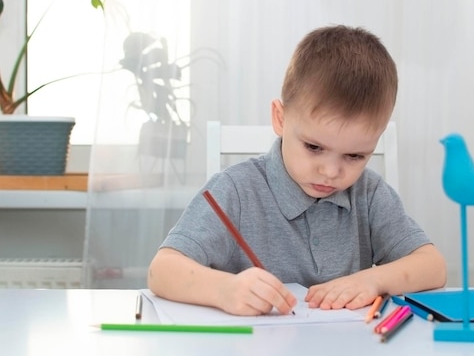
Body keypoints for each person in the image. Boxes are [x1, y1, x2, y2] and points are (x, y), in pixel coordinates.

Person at [148, 25, 447, 316]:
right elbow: (162, 270)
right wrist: (224, 289)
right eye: (314, 147)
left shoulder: (369, 194)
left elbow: (433, 266)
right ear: (280, 118)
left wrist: (373, 279)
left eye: (355, 155)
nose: (331, 171)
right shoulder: (236, 190)